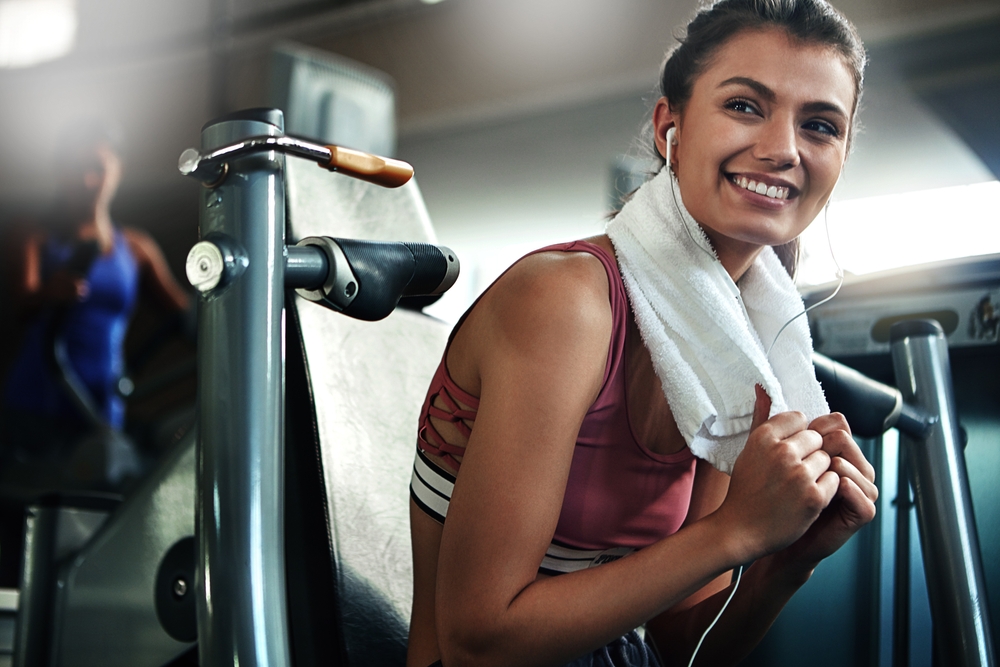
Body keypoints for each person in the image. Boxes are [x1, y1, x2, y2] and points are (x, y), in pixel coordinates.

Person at [407, 1, 880, 666]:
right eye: (745, 105)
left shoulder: (737, 342)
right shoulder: (566, 302)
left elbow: (679, 644)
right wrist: (734, 530)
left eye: (820, 125)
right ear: (670, 127)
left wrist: (787, 561)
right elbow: (475, 642)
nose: (783, 149)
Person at [1, 119, 190, 487]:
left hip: (101, 409)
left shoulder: (137, 248)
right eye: (75, 169)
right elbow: (22, 304)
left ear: (117, 170)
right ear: (59, 172)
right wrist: (48, 294)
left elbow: (186, 316)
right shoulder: (33, 235)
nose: (87, 180)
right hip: (35, 409)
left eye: (97, 169)